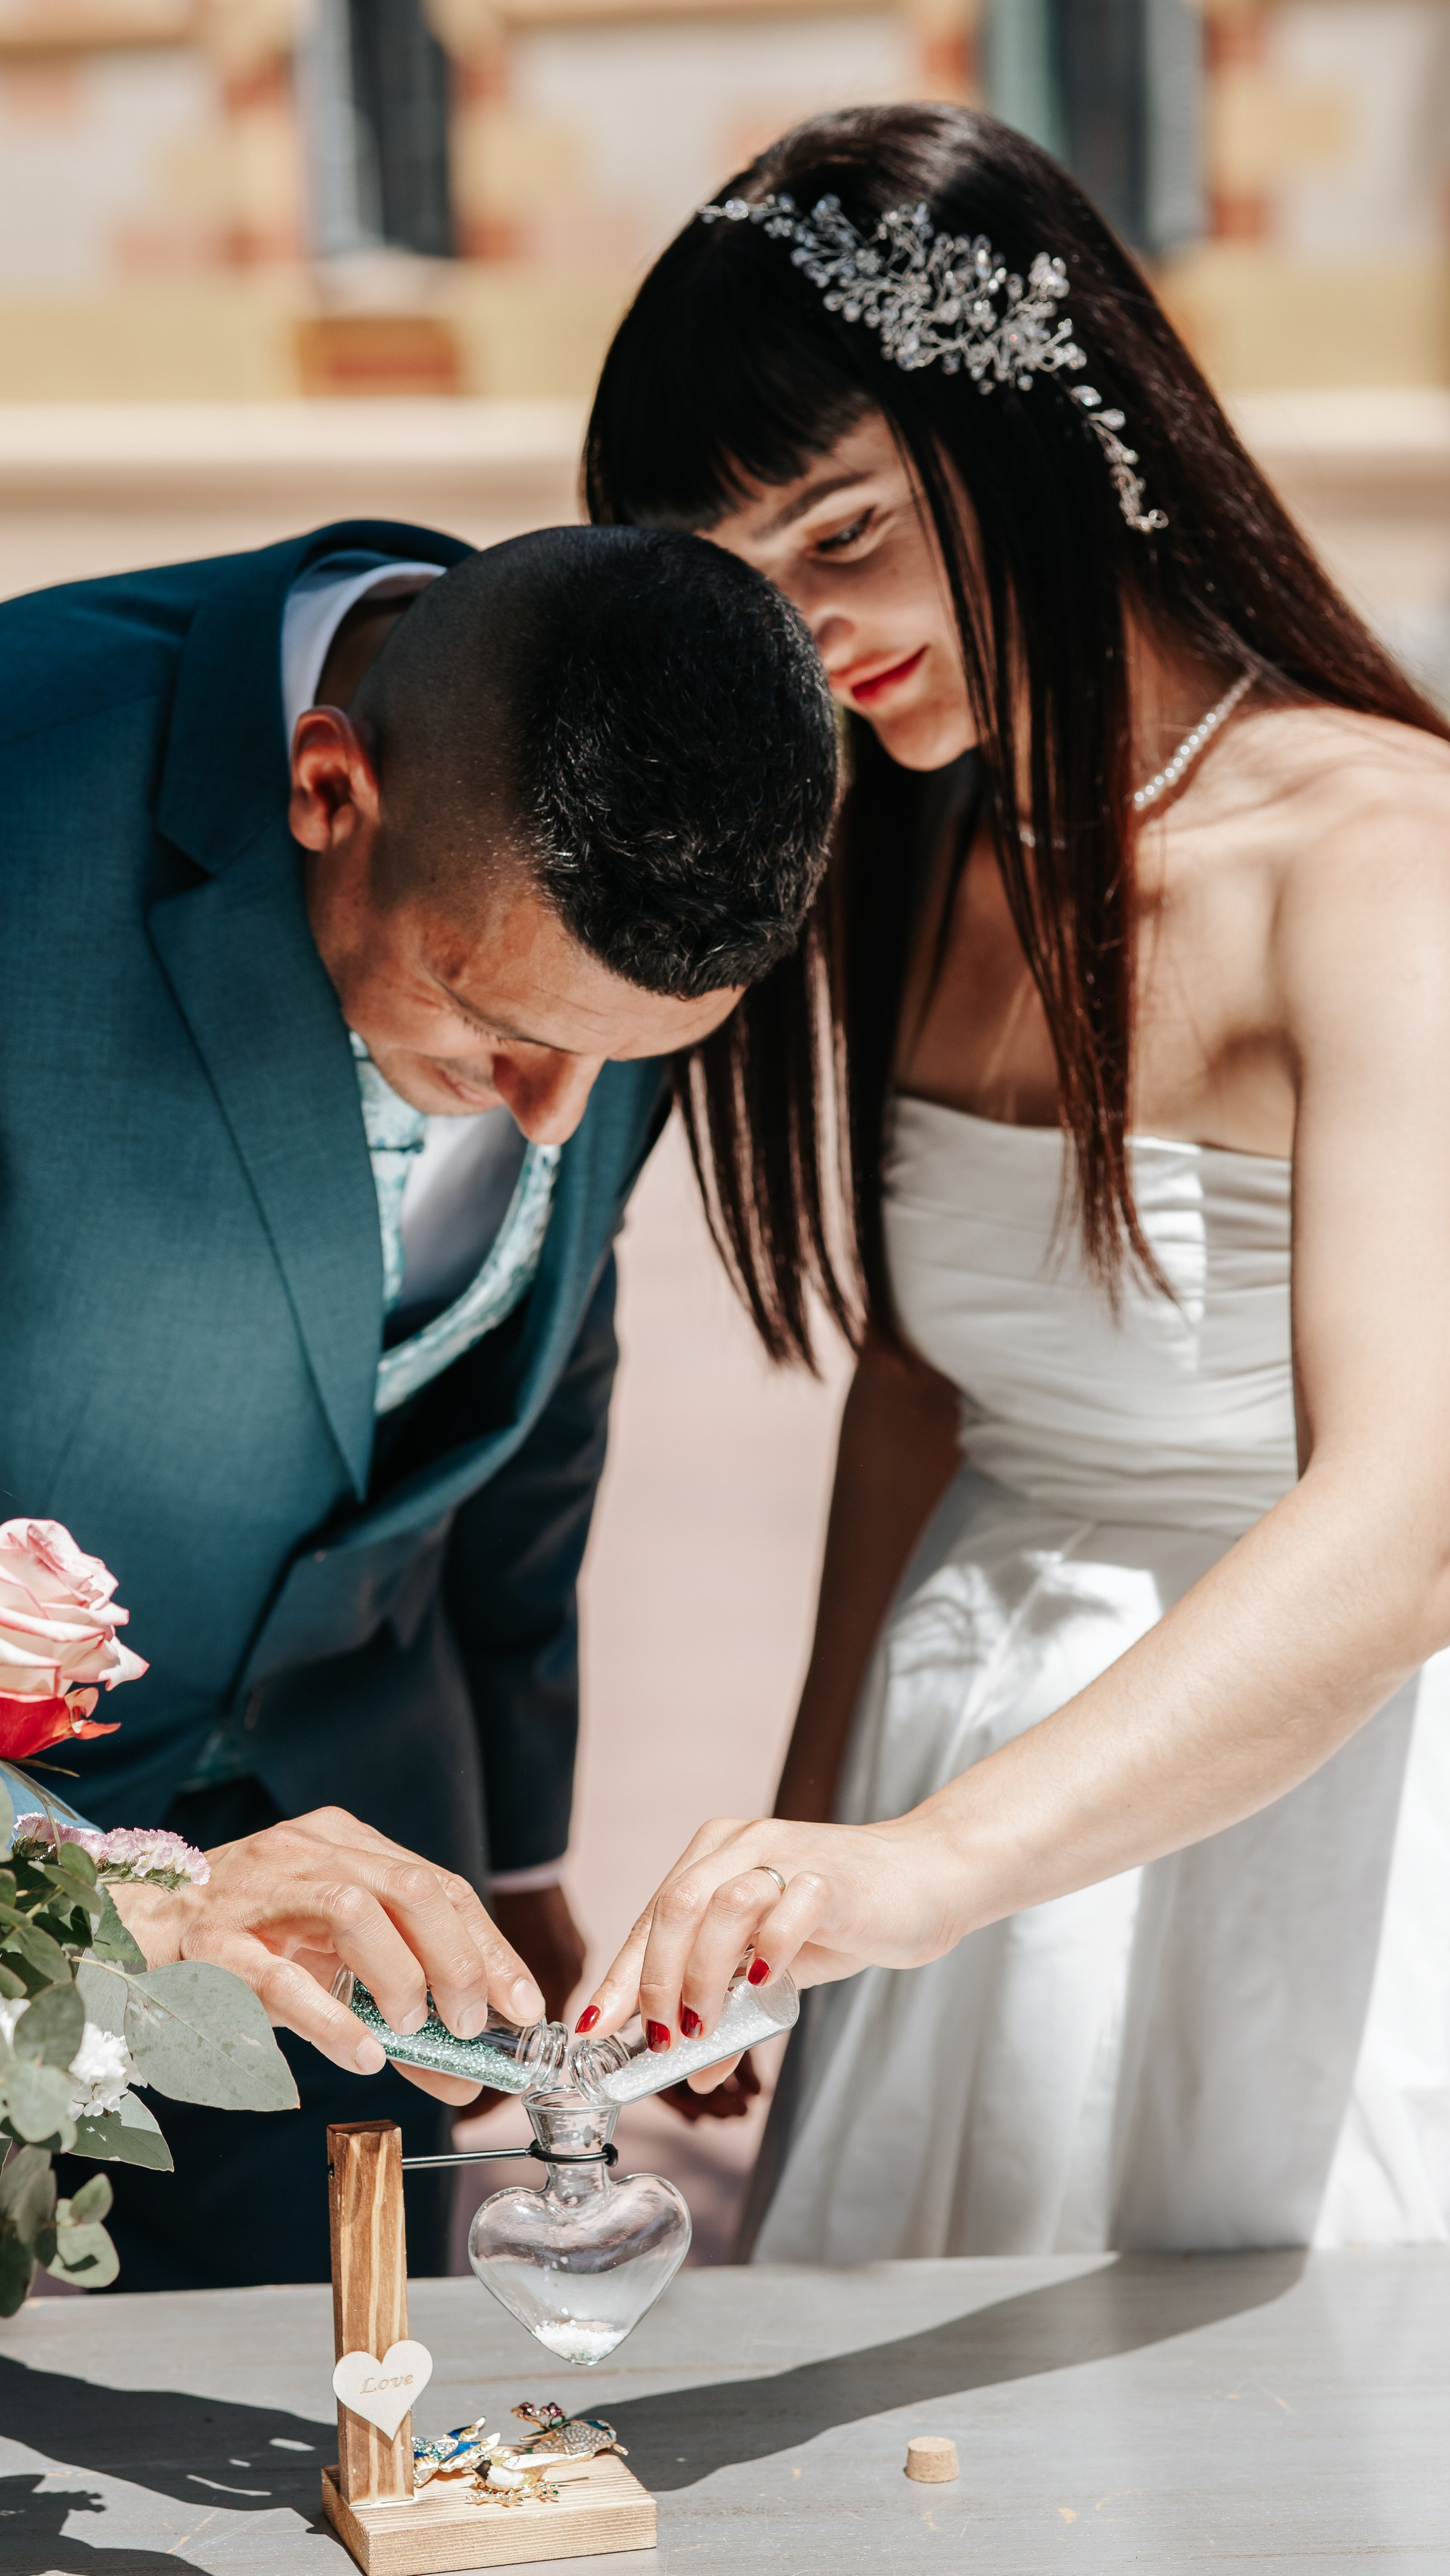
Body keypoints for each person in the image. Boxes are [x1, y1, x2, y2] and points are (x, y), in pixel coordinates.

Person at [0, 517, 836, 2284]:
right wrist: (112, 1894)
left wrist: (519, 1851)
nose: (554, 1115)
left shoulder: (647, 830)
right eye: (493, 1027)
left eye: (621, 1060)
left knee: (327, 2405)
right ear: (330, 791)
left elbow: (540, 1371)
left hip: (359, 1892)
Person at [575, 103, 1450, 2258]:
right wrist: (808, 1842)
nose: (803, 629)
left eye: (843, 529)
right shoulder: (924, 839)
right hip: (952, 1749)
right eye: (741, 577)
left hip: (1302, 1791)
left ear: (1035, 429)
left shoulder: (1378, 867)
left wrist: (931, 1867)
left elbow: (1411, 1523)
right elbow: (920, 1388)